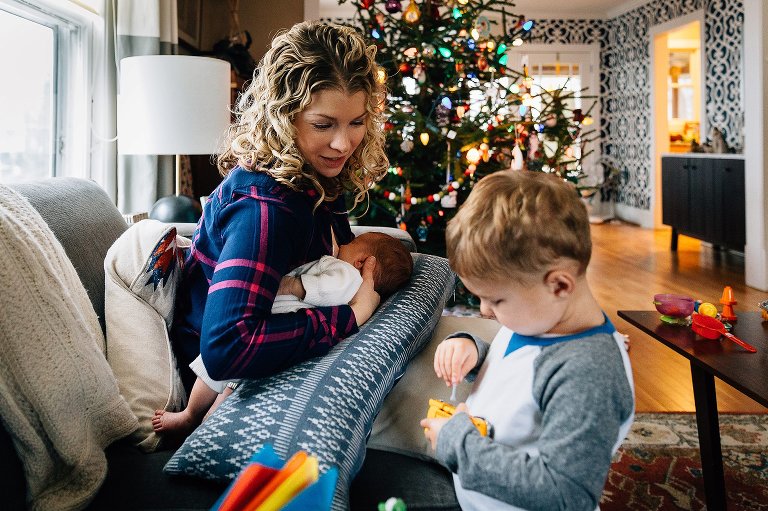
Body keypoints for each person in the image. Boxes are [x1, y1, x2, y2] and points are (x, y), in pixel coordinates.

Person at [169, 21, 388, 410]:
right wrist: (352, 316)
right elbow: (226, 349)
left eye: (356, 122)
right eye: (323, 125)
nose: (344, 144)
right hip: (209, 385)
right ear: (283, 118)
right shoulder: (266, 210)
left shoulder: (318, 175)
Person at [420, 171, 635, 511]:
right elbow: (523, 373)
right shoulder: (538, 318)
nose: (485, 310)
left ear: (559, 285)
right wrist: (476, 353)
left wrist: (457, 443)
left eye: (496, 300)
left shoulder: (588, 373)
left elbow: (566, 494)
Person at [154, 232, 412, 436]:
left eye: (352, 243)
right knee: (229, 386)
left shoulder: (348, 275)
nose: (346, 242)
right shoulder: (354, 285)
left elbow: (328, 288)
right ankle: (203, 428)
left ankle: (191, 417)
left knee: (214, 368)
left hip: (270, 323)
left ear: (363, 262)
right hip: (269, 334)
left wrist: (292, 285)